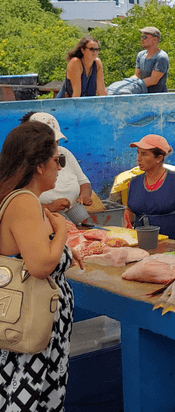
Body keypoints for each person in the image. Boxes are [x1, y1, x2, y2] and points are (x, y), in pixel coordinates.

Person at [0, 121, 83, 411]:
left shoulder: (24, 201)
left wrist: (66, 251)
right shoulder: (24, 202)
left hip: (37, 328)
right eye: (56, 160)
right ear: (39, 166)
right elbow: (39, 265)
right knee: (31, 400)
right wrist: (61, 231)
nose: (60, 167)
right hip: (32, 329)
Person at [124, 134, 175, 240]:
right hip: (142, 243)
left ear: (159, 158)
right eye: (138, 153)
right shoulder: (133, 183)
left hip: (174, 244)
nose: (138, 158)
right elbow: (129, 211)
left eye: (144, 154)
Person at [21, 111, 93, 212]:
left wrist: (84, 196)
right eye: (50, 143)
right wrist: (48, 207)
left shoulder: (64, 153)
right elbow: (19, 205)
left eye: (57, 142)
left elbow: (84, 182)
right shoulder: (22, 164)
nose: (59, 168)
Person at [134, 26, 169, 93]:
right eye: (141, 37)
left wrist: (133, 85)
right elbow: (137, 76)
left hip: (158, 98)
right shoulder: (140, 55)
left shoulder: (161, 57)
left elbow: (153, 80)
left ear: (154, 39)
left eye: (145, 37)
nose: (142, 39)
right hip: (142, 96)